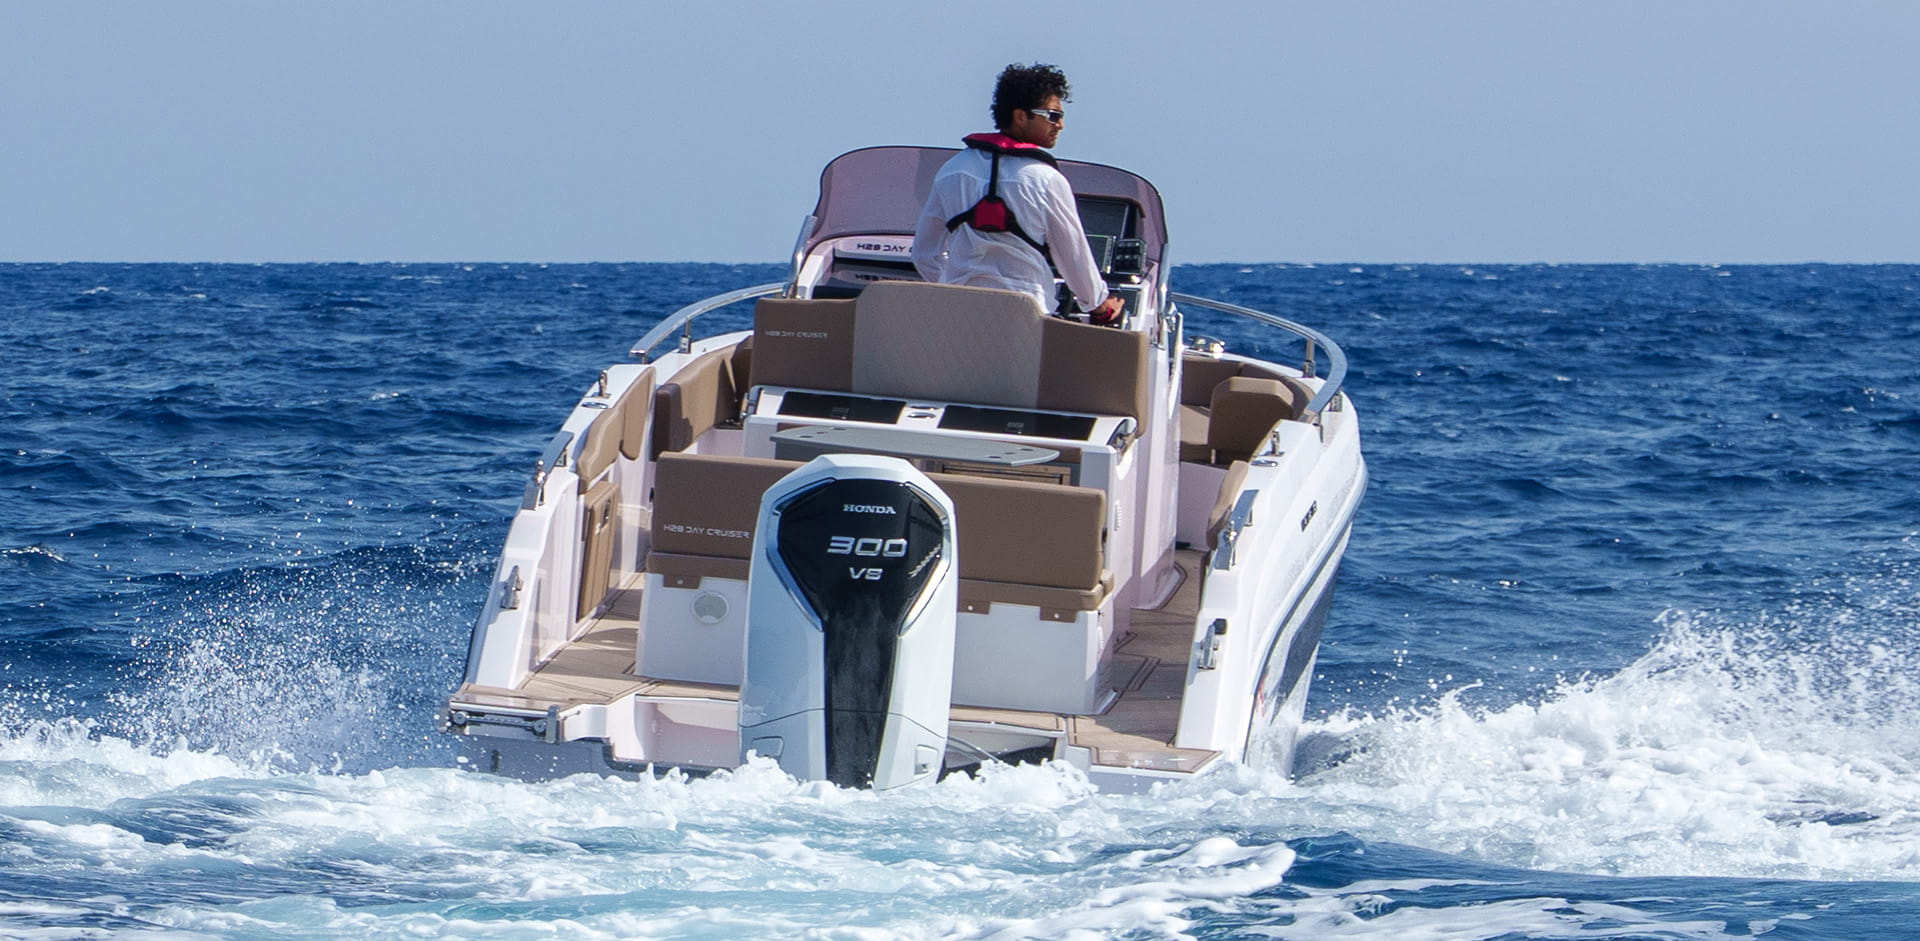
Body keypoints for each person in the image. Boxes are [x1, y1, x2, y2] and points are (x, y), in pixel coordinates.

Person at [912, 63, 1126, 325]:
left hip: (960, 314)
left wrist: (953, 285)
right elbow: (1073, 256)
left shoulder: (952, 170)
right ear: (1020, 116)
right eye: (1053, 115)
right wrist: (1098, 305)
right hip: (1025, 315)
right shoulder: (1046, 180)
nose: (1060, 125)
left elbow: (924, 253)